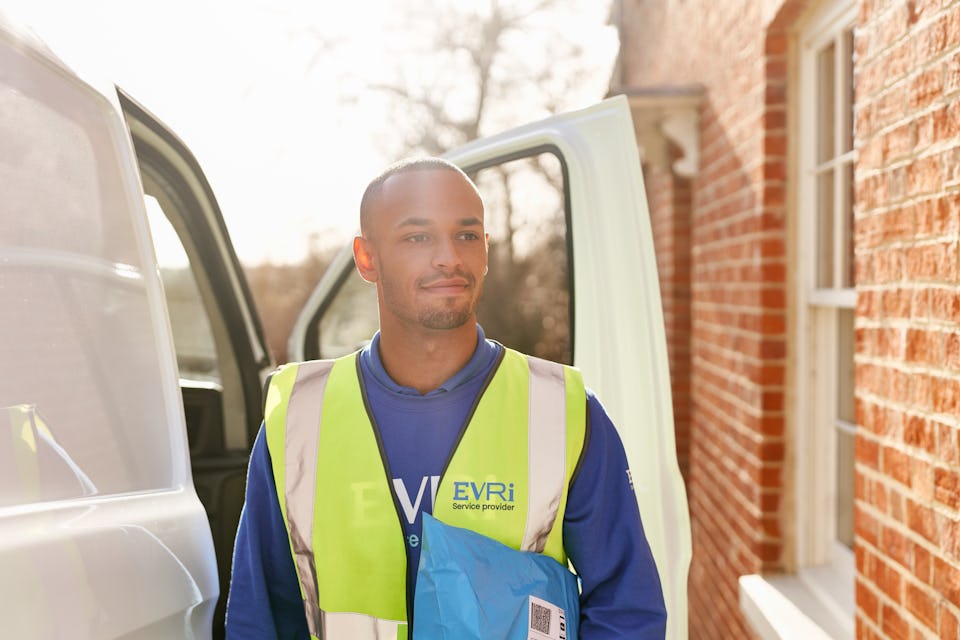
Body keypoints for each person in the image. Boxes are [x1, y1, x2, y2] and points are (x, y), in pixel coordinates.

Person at [225, 157, 667, 639]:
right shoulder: (298, 419)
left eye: (467, 235)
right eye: (417, 237)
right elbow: (261, 615)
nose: (449, 258)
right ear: (367, 258)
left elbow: (628, 611)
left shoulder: (564, 411)